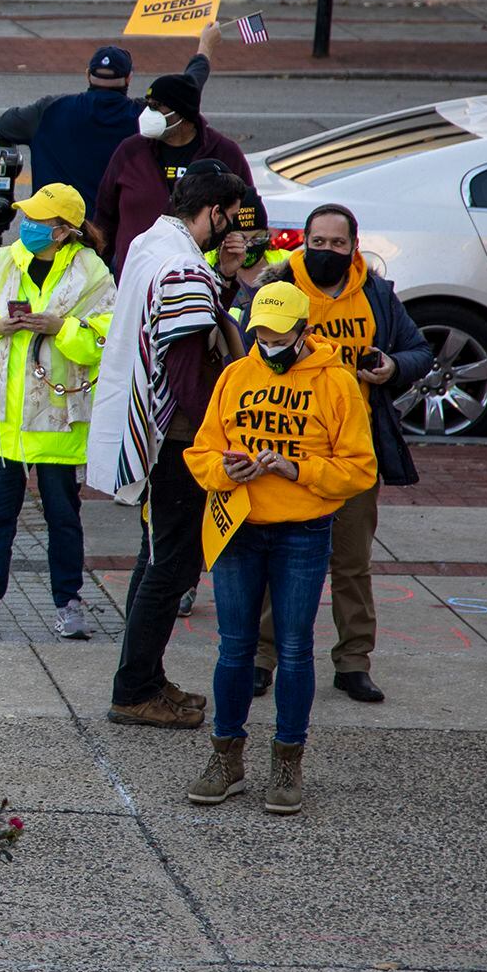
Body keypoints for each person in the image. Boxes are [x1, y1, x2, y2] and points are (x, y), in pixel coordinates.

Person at [183, 282, 376, 816]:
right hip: (240, 525)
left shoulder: (337, 384)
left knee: (293, 650)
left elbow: (360, 468)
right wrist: (224, 469)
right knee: (233, 647)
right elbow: (201, 450)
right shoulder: (236, 375)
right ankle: (227, 757)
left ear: (303, 330)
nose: (267, 341)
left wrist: (298, 469)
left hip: (302, 532)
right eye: (260, 331)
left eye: (278, 332)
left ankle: (288, 761)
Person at [232, 204, 430, 705]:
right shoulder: (277, 289)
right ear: (305, 241)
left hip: (352, 451)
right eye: (316, 242)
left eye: (336, 245)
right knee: (280, 559)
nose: (326, 252)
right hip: (282, 452)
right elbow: (240, 349)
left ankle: (353, 662)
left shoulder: (378, 295)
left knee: (351, 562)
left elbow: (419, 351)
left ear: (353, 247)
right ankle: (262, 658)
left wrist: (391, 365)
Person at [85, 170, 253, 728]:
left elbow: (187, 322)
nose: (232, 228)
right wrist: (216, 434)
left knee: (154, 559)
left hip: (154, 431)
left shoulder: (153, 242)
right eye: (229, 215)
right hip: (179, 439)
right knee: (172, 567)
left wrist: (224, 277)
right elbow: (186, 365)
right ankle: (134, 689)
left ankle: (145, 678)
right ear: (211, 211)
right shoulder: (182, 266)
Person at [0, 184, 116, 641]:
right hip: (0, 422)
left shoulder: (92, 272)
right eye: (29, 217)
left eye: (40, 221)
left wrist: (61, 328)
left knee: (63, 518)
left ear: (64, 231)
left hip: (56, 422)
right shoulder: (5, 259)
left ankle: (69, 604)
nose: (29, 226)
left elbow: (105, 336)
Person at [89, 23, 247, 269]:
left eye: (156, 107)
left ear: (183, 115)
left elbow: (249, 215)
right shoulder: (130, 151)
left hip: (198, 283)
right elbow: (105, 219)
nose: (148, 112)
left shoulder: (225, 154)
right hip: (135, 281)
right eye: (148, 104)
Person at [0, 45, 142, 206]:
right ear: (128, 78)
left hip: (52, 222)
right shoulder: (143, 117)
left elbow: (4, 125)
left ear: (87, 75)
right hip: (112, 226)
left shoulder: (51, 108)